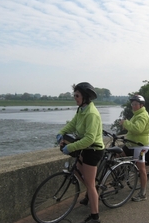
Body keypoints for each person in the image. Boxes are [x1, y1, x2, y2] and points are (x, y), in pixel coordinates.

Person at [56, 82, 104, 223]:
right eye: (74, 95)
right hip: (86, 148)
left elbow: (89, 139)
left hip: (93, 150)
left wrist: (70, 147)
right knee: (77, 169)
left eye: (77, 95)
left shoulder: (92, 114)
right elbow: (72, 124)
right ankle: (91, 193)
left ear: (85, 97)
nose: (75, 98)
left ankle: (95, 216)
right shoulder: (81, 110)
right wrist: (61, 132)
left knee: (90, 184)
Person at [120, 95, 149, 202]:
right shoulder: (137, 114)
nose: (133, 106)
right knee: (118, 153)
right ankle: (126, 171)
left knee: (141, 168)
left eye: (135, 104)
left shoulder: (143, 115)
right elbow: (132, 128)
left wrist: (126, 123)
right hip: (132, 144)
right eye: (132, 104)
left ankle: (143, 193)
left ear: (141, 105)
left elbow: (137, 129)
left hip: (140, 146)